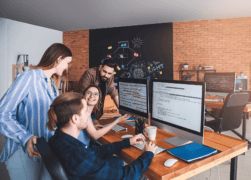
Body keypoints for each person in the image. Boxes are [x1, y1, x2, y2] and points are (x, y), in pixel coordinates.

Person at [0, 43, 72, 180]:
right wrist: (26, 137)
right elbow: (3, 113)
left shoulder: (52, 85)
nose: (67, 67)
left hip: (43, 150)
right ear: (58, 59)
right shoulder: (29, 77)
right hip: (23, 151)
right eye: (67, 63)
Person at [47, 92, 157, 180]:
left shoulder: (57, 140)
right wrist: (148, 154)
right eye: (86, 111)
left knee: (117, 161)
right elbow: (128, 175)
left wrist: (127, 142)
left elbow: (94, 152)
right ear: (75, 118)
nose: (89, 114)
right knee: (144, 174)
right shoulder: (79, 158)